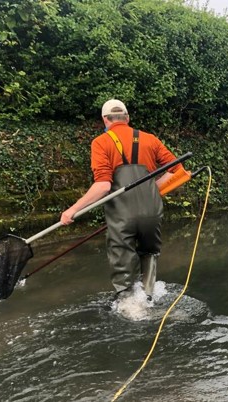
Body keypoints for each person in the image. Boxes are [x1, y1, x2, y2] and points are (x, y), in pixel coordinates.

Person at [61, 99, 183, 299]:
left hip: (122, 213)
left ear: (105, 119)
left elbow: (103, 186)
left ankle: (128, 304)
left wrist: (72, 210)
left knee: (122, 256)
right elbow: (178, 169)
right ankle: (148, 296)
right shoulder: (150, 139)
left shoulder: (101, 142)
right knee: (149, 252)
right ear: (127, 118)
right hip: (151, 210)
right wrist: (152, 189)